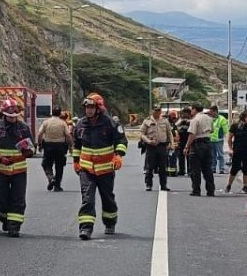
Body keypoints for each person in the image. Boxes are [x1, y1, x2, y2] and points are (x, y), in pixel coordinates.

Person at [72, 93, 128, 240]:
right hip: (86, 170)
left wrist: (118, 155)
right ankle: (85, 228)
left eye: (91, 107)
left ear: (98, 108)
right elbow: (76, 145)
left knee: (107, 198)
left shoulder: (110, 123)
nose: (88, 110)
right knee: (87, 198)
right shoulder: (80, 124)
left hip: (105, 169)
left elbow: (121, 140)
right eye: (86, 107)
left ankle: (110, 222)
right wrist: (76, 161)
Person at [0, 98, 35, 238]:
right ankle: (5, 217)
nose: (13, 119)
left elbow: (32, 148)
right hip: (0, 169)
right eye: (10, 116)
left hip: (19, 170)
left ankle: (14, 226)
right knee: (0, 197)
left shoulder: (24, 128)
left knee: (18, 198)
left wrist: (29, 151)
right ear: (4, 115)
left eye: (15, 116)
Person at [37, 106, 72, 192]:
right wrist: (71, 145)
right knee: (59, 166)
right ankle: (57, 186)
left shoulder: (46, 122)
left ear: (52, 113)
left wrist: (40, 144)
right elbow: (68, 135)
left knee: (46, 164)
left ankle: (51, 177)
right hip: (60, 147)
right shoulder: (63, 123)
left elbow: (40, 134)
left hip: (48, 146)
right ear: (60, 114)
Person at [185, 104, 217, 196]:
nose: (191, 111)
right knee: (207, 169)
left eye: (192, 109)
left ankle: (196, 190)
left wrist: (187, 146)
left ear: (195, 110)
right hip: (207, 143)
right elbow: (212, 130)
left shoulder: (195, 119)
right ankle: (210, 190)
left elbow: (192, 134)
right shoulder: (209, 118)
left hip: (197, 144)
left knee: (195, 169)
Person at [138, 106, 171, 192]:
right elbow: (141, 134)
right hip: (151, 147)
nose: (157, 112)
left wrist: (171, 143)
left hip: (162, 146)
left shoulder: (165, 121)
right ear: (152, 111)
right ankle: (149, 184)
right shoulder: (147, 121)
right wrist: (148, 141)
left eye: (159, 111)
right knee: (150, 167)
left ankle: (163, 185)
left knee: (163, 167)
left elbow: (169, 133)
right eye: (155, 110)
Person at [225, 111, 247, 194]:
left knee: (246, 169)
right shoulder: (235, 126)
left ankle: (245, 186)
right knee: (235, 168)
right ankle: (228, 185)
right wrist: (230, 149)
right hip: (237, 150)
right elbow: (229, 138)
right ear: (242, 117)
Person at [209, 105, 229, 174]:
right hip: (211, 140)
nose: (210, 113)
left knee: (220, 155)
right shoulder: (210, 119)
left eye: (211, 112)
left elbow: (226, 130)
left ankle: (221, 169)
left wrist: (226, 138)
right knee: (212, 155)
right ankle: (213, 168)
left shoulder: (222, 119)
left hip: (219, 140)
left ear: (215, 111)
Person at [174, 107, 191, 177]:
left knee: (189, 156)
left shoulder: (192, 120)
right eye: (183, 113)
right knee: (180, 156)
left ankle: (190, 170)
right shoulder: (180, 120)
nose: (184, 115)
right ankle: (182, 170)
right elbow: (175, 126)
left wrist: (188, 122)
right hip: (181, 139)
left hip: (189, 139)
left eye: (185, 113)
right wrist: (181, 122)